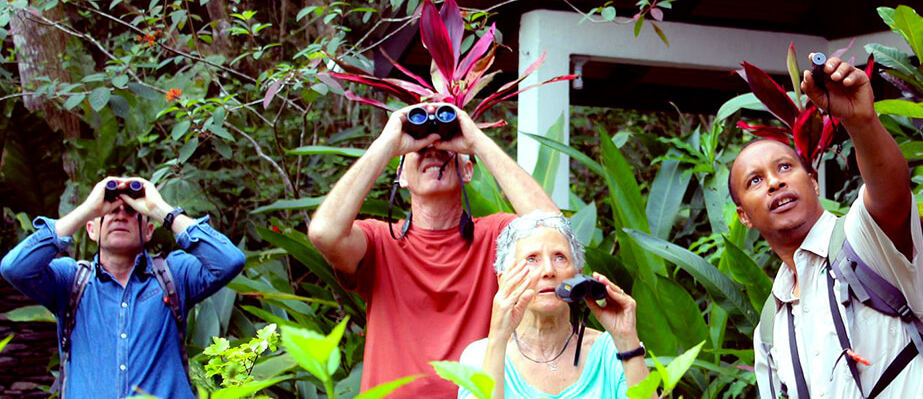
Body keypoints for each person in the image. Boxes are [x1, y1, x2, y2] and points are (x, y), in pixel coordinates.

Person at [735, 55, 923, 399]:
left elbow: (891, 195)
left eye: (784, 168)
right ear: (743, 217)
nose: (775, 183)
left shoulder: (864, 243)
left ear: (813, 181)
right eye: (755, 181)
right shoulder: (770, 326)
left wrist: (862, 122)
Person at [307, 103, 559, 396]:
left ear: (467, 170)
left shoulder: (496, 237)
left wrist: (476, 140)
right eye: (420, 151)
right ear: (400, 176)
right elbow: (323, 233)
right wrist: (388, 143)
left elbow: (551, 232)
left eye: (444, 150)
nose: (432, 150)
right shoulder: (378, 241)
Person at [1, 177, 246, 398]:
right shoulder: (71, 281)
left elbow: (229, 260)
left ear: (149, 231)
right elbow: (15, 268)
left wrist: (159, 210)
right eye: (109, 211)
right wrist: (88, 209)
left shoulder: (174, 276)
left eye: (130, 210)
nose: (119, 215)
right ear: (91, 229)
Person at [456, 212, 650, 399]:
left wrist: (626, 339)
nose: (549, 270)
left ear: (578, 275)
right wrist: (498, 337)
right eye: (532, 259)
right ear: (504, 280)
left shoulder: (611, 350)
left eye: (560, 257)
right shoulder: (480, 356)